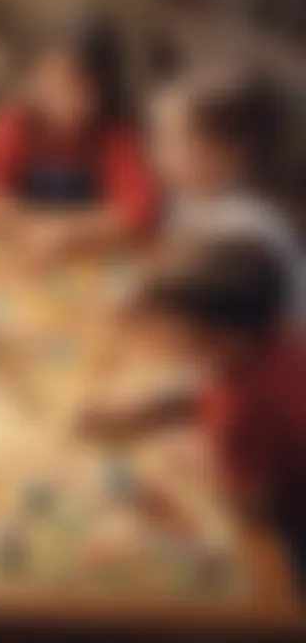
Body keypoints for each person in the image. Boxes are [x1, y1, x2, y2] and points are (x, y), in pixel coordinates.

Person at [82, 240, 306, 588]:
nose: (161, 342)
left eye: (175, 334)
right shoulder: (270, 336)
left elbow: (254, 507)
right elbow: (206, 392)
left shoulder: (243, 410)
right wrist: (142, 415)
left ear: (224, 338)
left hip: (286, 534)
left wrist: (170, 493)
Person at [0, 15, 156, 255]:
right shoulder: (14, 122)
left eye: (70, 83)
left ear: (102, 90)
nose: (51, 92)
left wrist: (68, 232)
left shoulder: (114, 134)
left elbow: (139, 207)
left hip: (90, 256)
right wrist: (27, 226)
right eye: (43, 79)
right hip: (22, 252)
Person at [150, 64, 305, 322]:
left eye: (173, 142)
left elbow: (216, 324)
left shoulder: (247, 232)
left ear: (229, 155)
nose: (157, 154)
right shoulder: (188, 199)